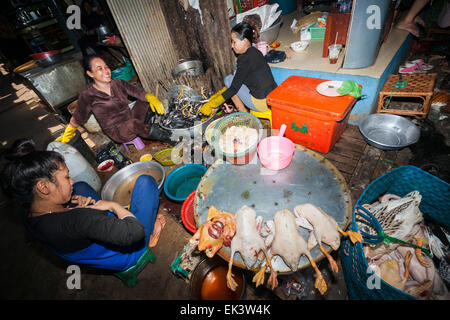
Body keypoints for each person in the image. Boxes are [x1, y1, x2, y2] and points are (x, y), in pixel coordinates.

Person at [0, 138, 166, 271]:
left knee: (80, 188)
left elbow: (71, 219)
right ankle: (150, 235)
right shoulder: (80, 220)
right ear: (43, 187)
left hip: (89, 244)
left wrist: (71, 206)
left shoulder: (28, 211)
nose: (71, 180)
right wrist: (111, 206)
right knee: (145, 182)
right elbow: (134, 232)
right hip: (128, 252)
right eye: (66, 177)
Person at [57, 55, 171, 145]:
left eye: (106, 67)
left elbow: (137, 92)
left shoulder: (118, 83)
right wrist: (68, 132)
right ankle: (170, 137)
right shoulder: (88, 96)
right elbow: (78, 117)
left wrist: (151, 97)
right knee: (133, 124)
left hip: (130, 119)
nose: (106, 71)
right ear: (90, 74)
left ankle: (146, 128)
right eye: (99, 69)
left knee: (144, 101)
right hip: (117, 132)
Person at [199, 22, 278, 115]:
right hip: (273, 98)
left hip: (261, 104)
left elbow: (234, 89)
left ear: (244, 41)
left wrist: (212, 104)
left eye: (234, 41)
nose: (232, 45)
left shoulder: (243, 59)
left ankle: (243, 113)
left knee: (228, 80)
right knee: (236, 74)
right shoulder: (256, 51)